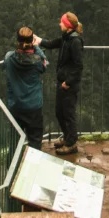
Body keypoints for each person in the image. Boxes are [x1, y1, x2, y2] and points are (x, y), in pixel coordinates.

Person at [34, 12, 84, 155]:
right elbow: (51, 44)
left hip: (68, 84)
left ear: (67, 25)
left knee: (68, 113)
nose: (59, 24)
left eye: (61, 22)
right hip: (62, 82)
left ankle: (71, 143)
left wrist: (68, 82)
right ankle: (67, 137)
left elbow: (78, 66)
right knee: (59, 112)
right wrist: (38, 40)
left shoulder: (75, 41)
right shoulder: (66, 38)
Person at [3, 26, 47, 149]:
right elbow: (44, 64)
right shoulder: (37, 61)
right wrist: (36, 46)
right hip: (33, 107)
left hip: (15, 105)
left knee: (14, 142)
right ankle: (31, 167)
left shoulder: (9, 57)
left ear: (17, 41)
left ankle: (12, 167)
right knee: (35, 141)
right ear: (31, 41)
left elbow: (5, 65)